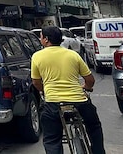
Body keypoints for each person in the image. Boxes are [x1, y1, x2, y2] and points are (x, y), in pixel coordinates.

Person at [31, 26, 105, 154]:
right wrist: (87, 88)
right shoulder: (73, 55)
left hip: (53, 104)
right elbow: (90, 80)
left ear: (46, 39)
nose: (40, 39)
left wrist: (44, 91)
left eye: (41, 36)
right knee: (94, 127)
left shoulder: (37, 56)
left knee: (52, 139)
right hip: (79, 102)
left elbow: (36, 82)